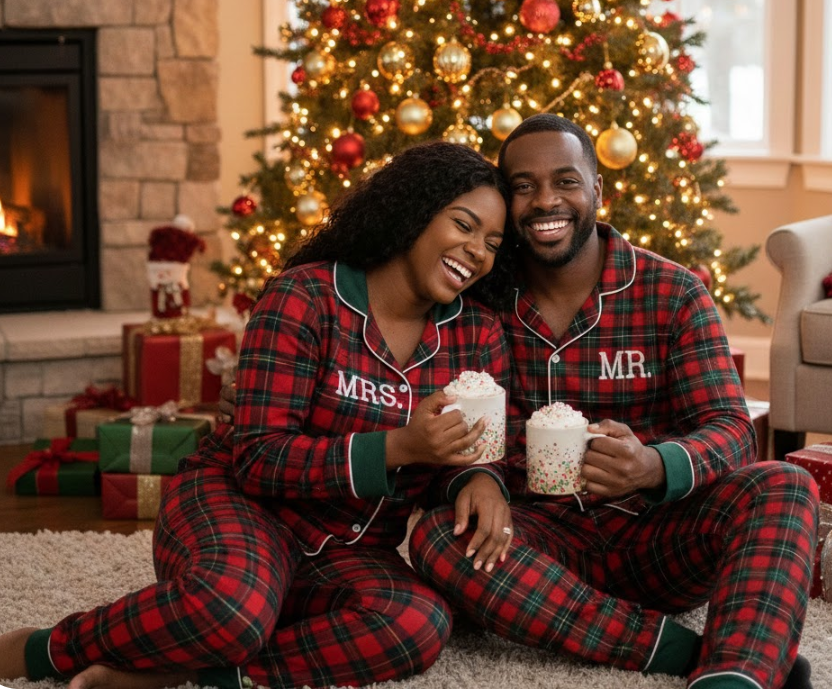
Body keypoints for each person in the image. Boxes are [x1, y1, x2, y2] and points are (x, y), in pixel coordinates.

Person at [0, 141, 516, 689]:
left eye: (492, 243)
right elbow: (259, 458)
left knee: (417, 624)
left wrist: (482, 477)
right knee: (230, 610)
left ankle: (188, 674)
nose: (477, 252)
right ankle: (47, 649)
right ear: (414, 210)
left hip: (349, 546)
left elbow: (469, 447)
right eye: (463, 225)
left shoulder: (477, 333)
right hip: (241, 505)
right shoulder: (306, 296)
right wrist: (399, 447)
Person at [407, 114, 820, 689]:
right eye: (523, 186)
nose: (544, 200)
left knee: (785, 484)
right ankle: (677, 650)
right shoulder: (478, 301)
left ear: (597, 188)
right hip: (538, 546)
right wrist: (476, 482)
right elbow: (442, 427)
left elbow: (731, 427)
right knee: (437, 538)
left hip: (659, 537)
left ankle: (734, 676)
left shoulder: (672, 291)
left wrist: (655, 465)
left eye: (565, 181)